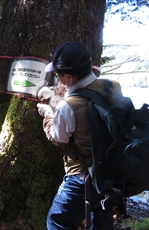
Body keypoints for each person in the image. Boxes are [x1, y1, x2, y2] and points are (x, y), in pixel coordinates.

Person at [37, 41, 121, 230]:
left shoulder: (67, 107)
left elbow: (58, 138)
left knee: (57, 221)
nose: (57, 80)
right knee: (101, 219)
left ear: (67, 77)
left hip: (83, 178)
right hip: (114, 171)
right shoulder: (113, 86)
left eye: (58, 76)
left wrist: (48, 114)